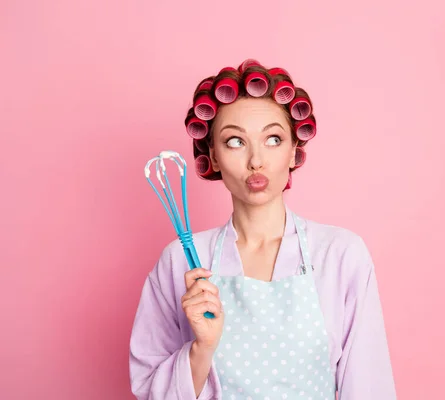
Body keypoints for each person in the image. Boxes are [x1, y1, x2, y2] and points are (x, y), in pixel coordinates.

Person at [129, 59, 397, 399]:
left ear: (293, 152)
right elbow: (150, 390)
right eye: (235, 142)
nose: (256, 160)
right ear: (212, 156)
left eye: (272, 139)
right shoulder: (180, 262)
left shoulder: (339, 254)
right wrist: (201, 349)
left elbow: (368, 384)